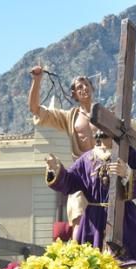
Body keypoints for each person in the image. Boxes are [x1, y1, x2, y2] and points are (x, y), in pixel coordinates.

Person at [45, 127, 136, 261]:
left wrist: (128, 173)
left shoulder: (128, 154)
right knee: (88, 266)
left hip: (124, 218)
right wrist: (56, 170)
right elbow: (70, 182)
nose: (102, 130)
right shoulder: (87, 159)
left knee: (128, 264)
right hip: (93, 221)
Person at [28, 65, 95, 229]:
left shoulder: (105, 115)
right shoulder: (69, 117)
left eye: (86, 84)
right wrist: (37, 80)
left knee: (107, 222)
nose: (84, 88)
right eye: (79, 87)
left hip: (103, 174)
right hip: (82, 175)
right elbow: (35, 109)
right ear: (74, 94)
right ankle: (76, 252)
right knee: (78, 216)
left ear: (92, 88)